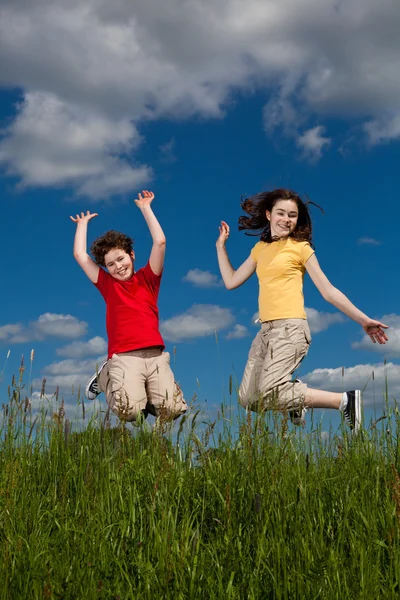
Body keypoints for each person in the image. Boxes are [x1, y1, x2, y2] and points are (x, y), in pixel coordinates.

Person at [216, 188, 388, 433]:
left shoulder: (300, 247)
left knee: (267, 391)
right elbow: (231, 281)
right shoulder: (260, 250)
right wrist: (221, 246)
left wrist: (363, 320)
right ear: (268, 214)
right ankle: (294, 398)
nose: (286, 219)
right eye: (281, 213)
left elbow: (328, 291)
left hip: (290, 329)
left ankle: (344, 401)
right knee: (248, 398)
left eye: (293, 215)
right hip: (264, 332)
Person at [70, 190, 187, 424]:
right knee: (131, 413)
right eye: (110, 264)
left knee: (173, 410)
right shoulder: (107, 285)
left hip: (155, 356)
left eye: (121, 259)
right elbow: (80, 255)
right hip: (124, 357)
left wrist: (146, 208)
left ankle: (150, 397)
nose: (118, 267)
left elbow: (160, 242)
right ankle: (106, 375)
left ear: (131, 255)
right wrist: (82, 225)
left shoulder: (149, 279)